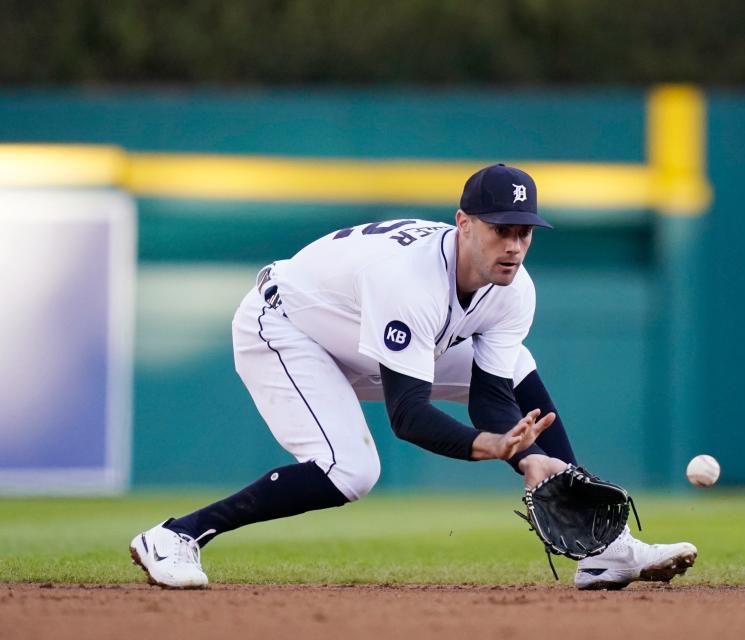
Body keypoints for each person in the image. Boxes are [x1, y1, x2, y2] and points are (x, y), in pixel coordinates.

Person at [129, 163, 697, 591]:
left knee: (517, 365)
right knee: (351, 470)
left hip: (362, 336)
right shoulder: (410, 281)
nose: (516, 246)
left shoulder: (513, 290)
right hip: (285, 330)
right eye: (503, 230)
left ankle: (607, 549)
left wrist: (528, 458)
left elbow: (493, 394)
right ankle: (176, 535)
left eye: (526, 231)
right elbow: (407, 416)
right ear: (464, 224)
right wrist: (491, 447)